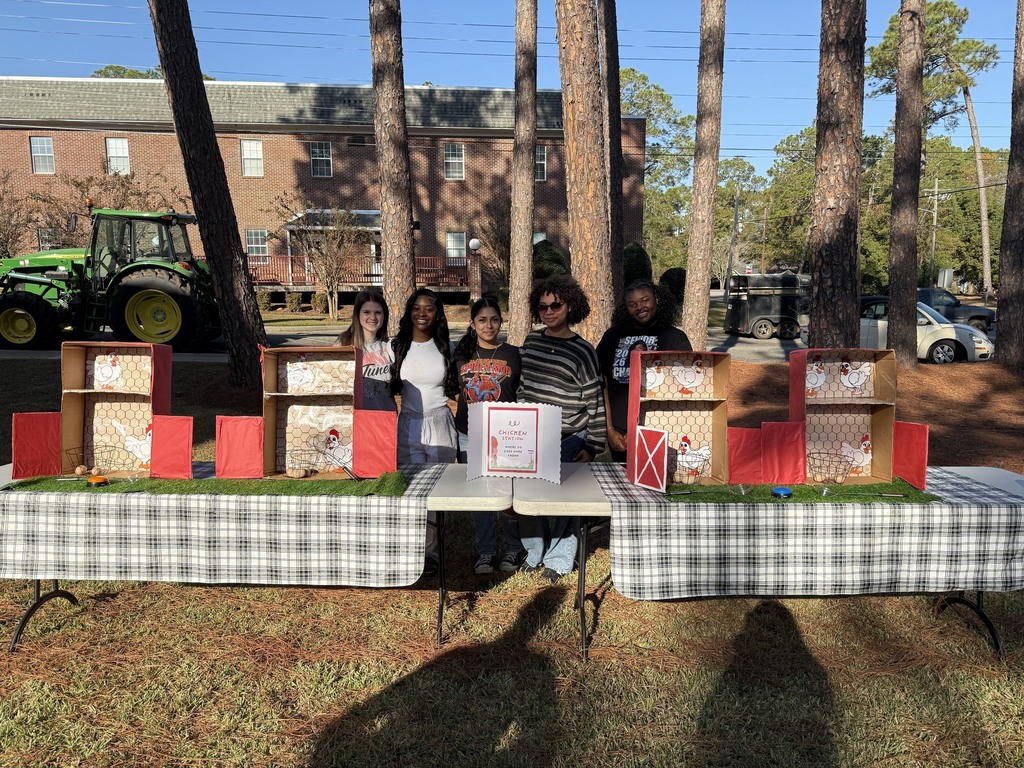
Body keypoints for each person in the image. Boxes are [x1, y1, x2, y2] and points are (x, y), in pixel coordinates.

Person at [517, 274, 606, 582]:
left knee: (567, 503)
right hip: (532, 437)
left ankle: (559, 559)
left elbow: (594, 401)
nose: (549, 311)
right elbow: (522, 386)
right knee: (527, 498)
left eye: (556, 305)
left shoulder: (583, 351)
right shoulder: (531, 341)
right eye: (542, 307)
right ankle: (534, 550)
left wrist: (592, 446)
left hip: (570, 437)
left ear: (571, 306)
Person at [390, 288, 460, 577]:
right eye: (416, 308)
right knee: (411, 489)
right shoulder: (396, 347)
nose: (422, 313)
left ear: (437, 313)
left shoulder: (447, 348)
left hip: (440, 423)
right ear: (409, 311)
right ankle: (409, 548)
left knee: (436, 489)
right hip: (409, 423)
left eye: (429, 308)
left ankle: (431, 552)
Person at [453, 297, 524, 575]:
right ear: (472, 324)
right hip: (469, 433)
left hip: (505, 434)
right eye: (482, 320)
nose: (489, 325)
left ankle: (513, 547)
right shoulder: (462, 354)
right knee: (480, 495)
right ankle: (486, 550)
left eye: (494, 319)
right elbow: (452, 388)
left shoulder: (513, 354)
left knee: (506, 494)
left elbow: (521, 392)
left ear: (501, 321)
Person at [596, 278, 691, 462]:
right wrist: (610, 430)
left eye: (645, 300)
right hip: (619, 432)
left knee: (654, 484)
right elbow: (602, 383)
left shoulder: (675, 338)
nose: (639, 307)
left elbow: (683, 388)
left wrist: (645, 432)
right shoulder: (613, 336)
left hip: (659, 427)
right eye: (632, 304)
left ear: (657, 299)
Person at [336, 289, 397, 412]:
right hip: (356, 421)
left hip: (385, 419)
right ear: (357, 314)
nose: (372, 317)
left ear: (384, 315)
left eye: (378, 312)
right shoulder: (343, 344)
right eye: (366, 312)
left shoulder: (390, 346)